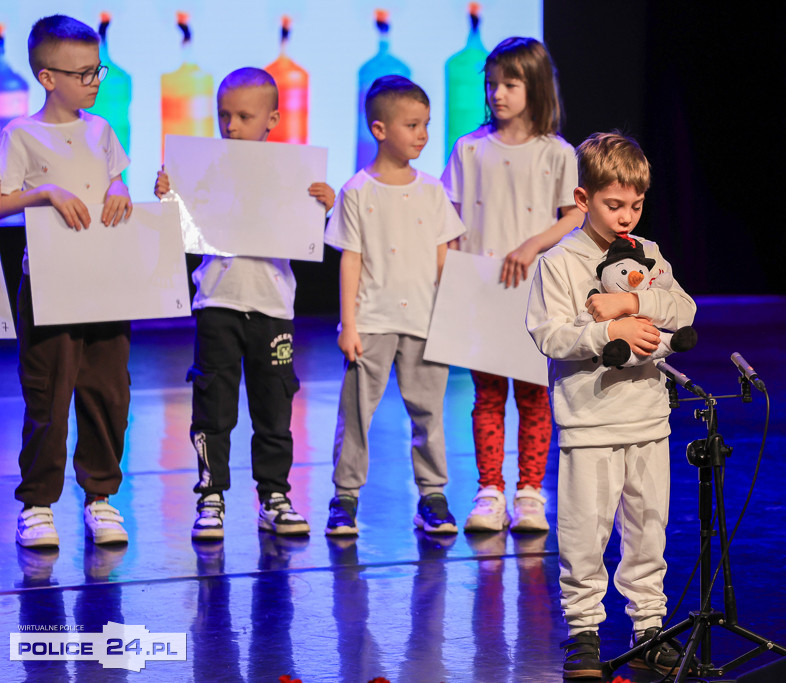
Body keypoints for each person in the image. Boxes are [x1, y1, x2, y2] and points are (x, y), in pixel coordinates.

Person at [526, 132, 697, 678]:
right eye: (613, 204)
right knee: (585, 530)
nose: (627, 216)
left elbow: (684, 309)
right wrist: (609, 330)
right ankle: (584, 633)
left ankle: (650, 626)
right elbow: (550, 335)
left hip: (648, 416)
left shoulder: (647, 256)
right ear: (583, 200)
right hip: (590, 421)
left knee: (649, 526)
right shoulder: (560, 261)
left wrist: (634, 301)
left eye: (636, 205)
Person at [154, 67, 335, 540]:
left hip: (272, 306)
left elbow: (317, 235)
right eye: (223, 116)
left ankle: (274, 495)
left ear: (272, 119)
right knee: (212, 403)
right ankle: (210, 495)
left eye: (243, 116)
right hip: (218, 300)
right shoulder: (207, 167)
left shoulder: (291, 173)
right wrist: (169, 197)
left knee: (274, 406)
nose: (230, 125)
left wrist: (324, 205)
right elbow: (181, 225)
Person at [0, 15, 133, 548]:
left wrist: (121, 185)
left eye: (96, 69)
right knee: (49, 394)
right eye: (82, 73)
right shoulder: (20, 134)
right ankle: (37, 503)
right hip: (51, 285)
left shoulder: (101, 129)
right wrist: (46, 192)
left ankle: (100, 496)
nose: (94, 81)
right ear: (47, 76)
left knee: (108, 391)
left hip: (106, 280)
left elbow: (114, 174)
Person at [441, 36, 582, 534]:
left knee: (533, 394)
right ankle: (489, 491)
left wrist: (531, 245)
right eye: (492, 84)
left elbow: (574, 215)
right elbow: (449, 216)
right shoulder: (470, 148)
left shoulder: (557, 153)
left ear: (536, 87)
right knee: (486, 395)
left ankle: (529, 491)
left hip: (534, 288)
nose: (498, 93)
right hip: (482, 288)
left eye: (511, 84)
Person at [325, 75, 465, 537]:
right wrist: (349, 323)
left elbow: (445, 254)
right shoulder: (357, 190)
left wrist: (452, 315)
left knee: (428, 412)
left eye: (426, 124)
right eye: (412, 125)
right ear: (380, 129)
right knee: (357, 413)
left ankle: (432, 496)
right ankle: (344, 497)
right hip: (373, 320)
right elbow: (351, 258)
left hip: (425, 321)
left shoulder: (432, 190)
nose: (422, 134)